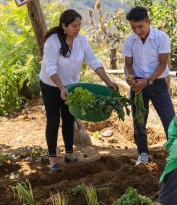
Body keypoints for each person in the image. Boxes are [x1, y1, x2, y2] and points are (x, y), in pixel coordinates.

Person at [39, 9, 118, 170]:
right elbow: (50, 68)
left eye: (79, 25)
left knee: (69, 118)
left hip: (71, 86)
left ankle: (69, 153)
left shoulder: (81, 41)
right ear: (64, 26)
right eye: (74, 26)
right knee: (53, 120)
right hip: (51, 85)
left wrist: (109, 81)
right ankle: (53, 157)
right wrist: (61, 87)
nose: (78, 29)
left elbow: (94, 62)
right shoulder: (53, 42)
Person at [122, 6, 175, 165]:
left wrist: (148, 81)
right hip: (138, 85)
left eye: (140, 26)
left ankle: (174, 153)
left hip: (157, 83)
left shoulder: (161, 38)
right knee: (139, 122)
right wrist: (129, 77)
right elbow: (127, 65)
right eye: (133, 27)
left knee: (169, 120)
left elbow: (162, 65)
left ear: (148, 21)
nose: (137, 31)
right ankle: (143, 154)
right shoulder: (130, 40)